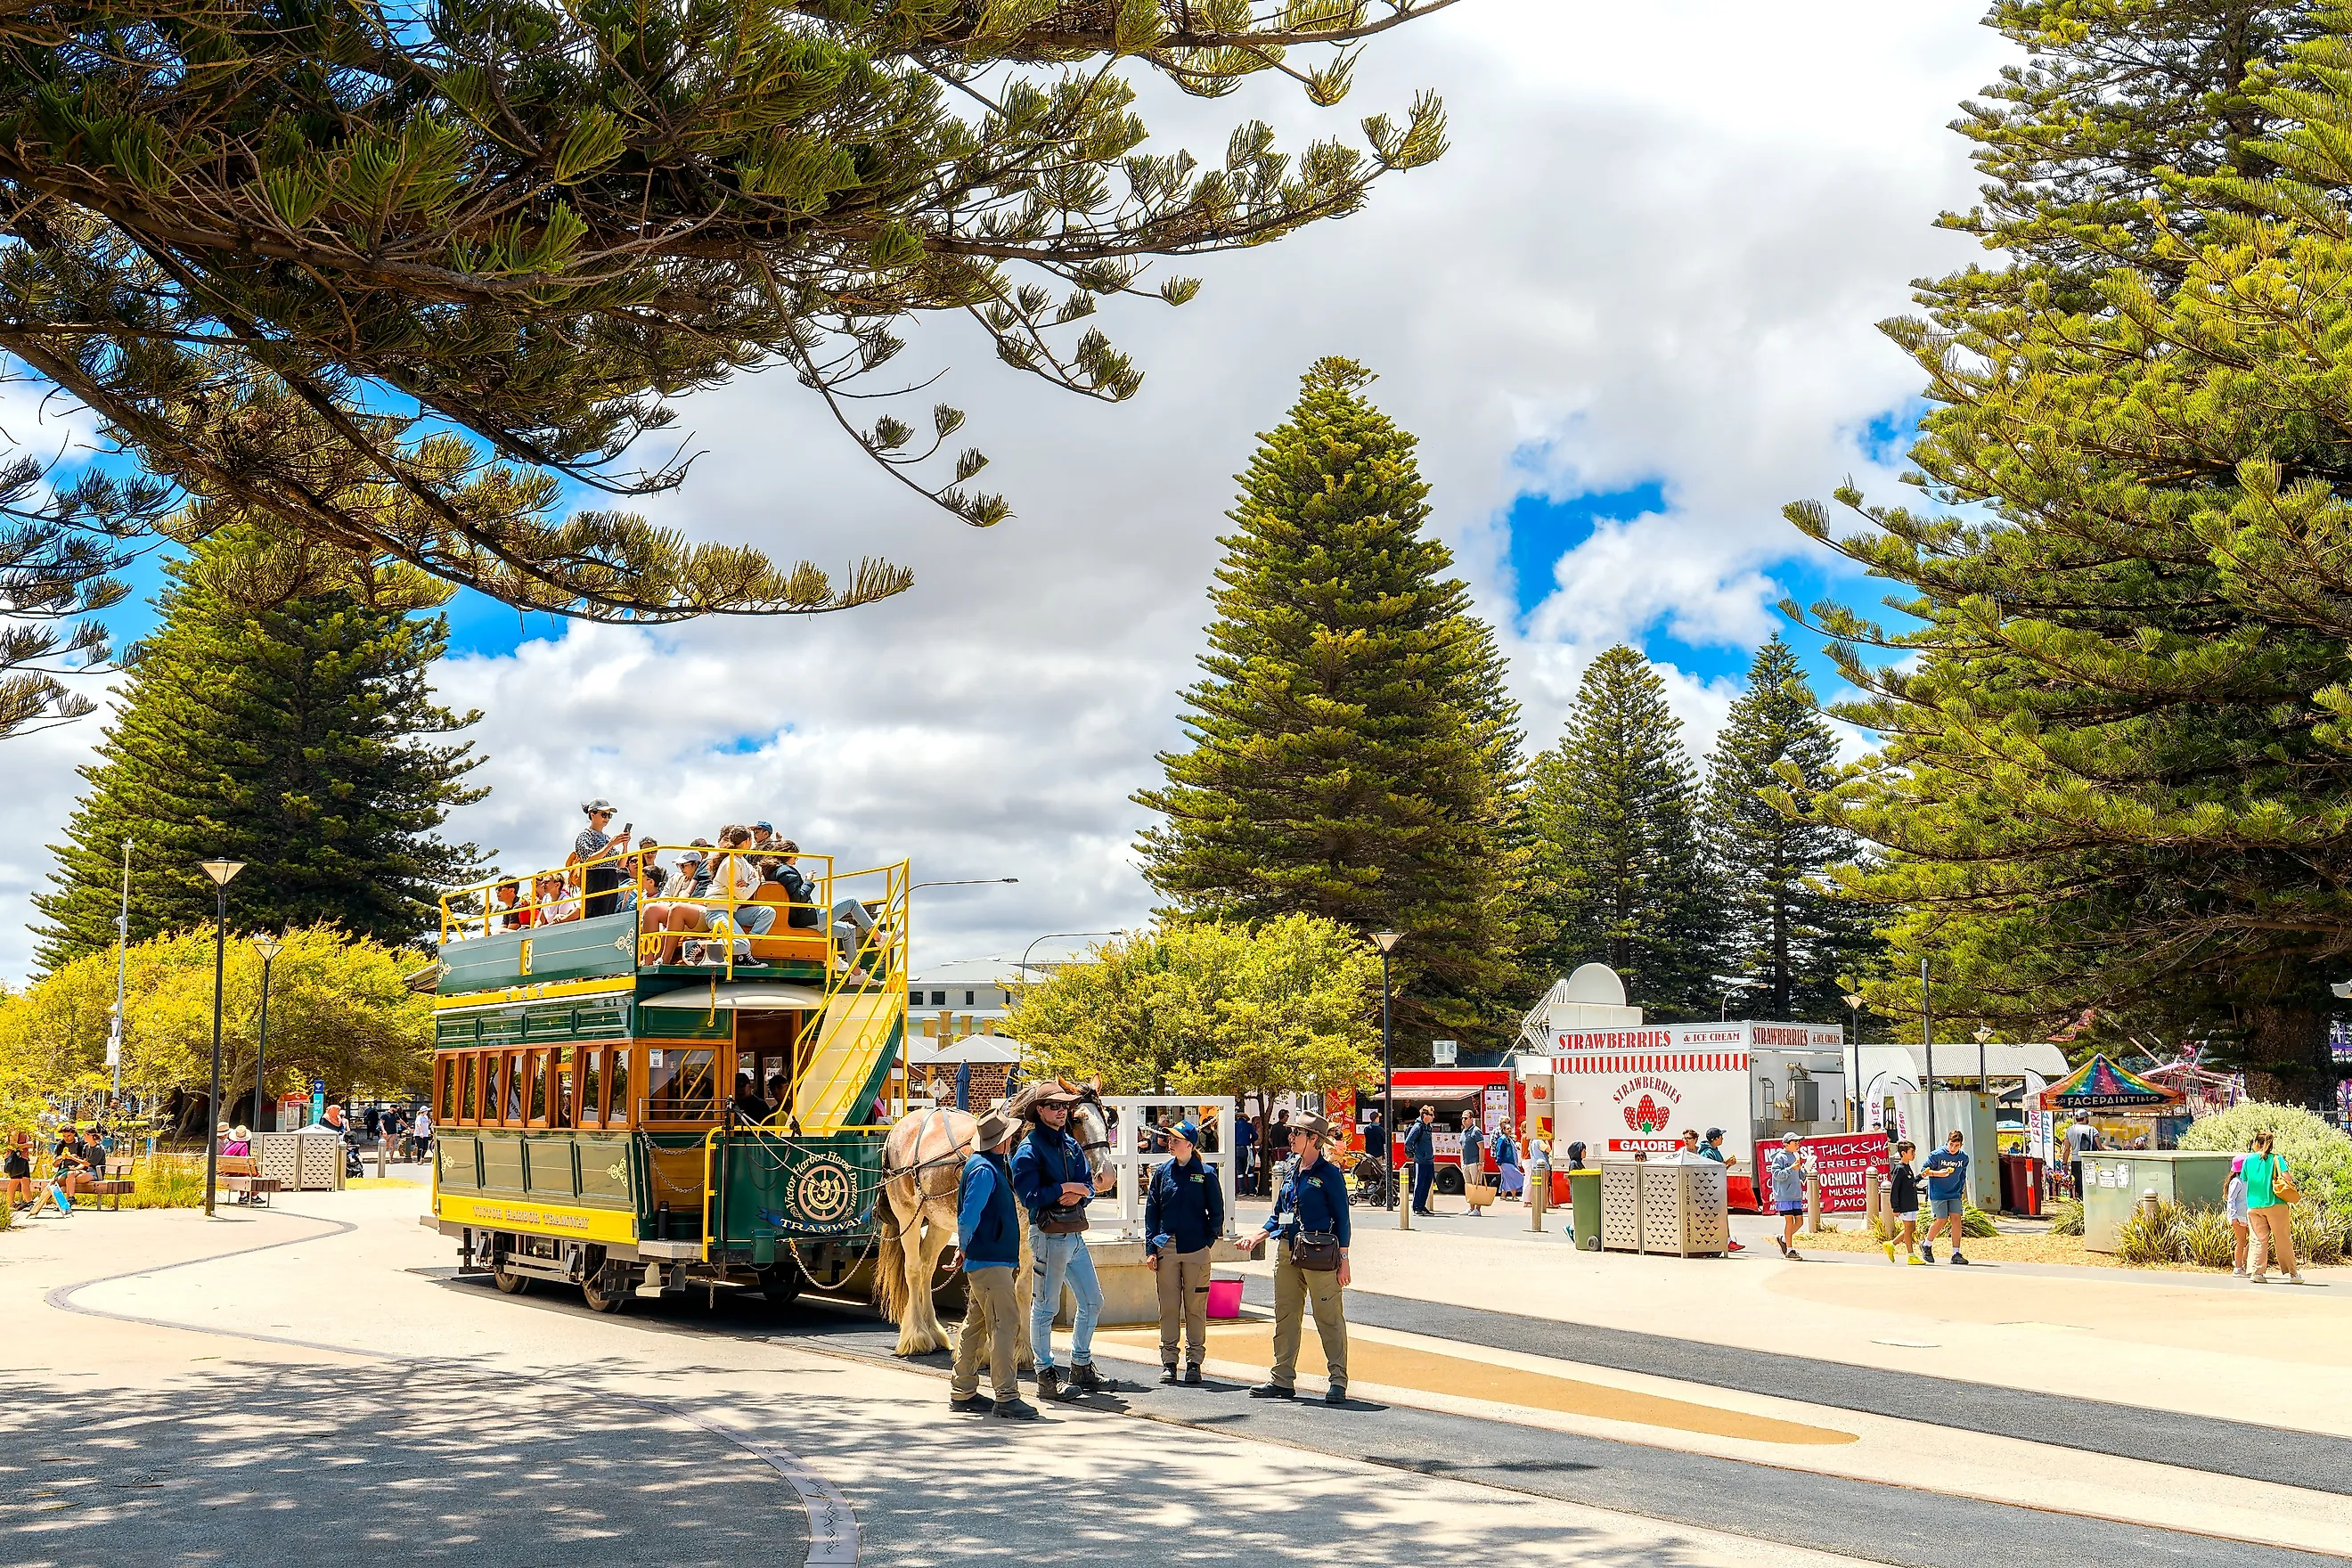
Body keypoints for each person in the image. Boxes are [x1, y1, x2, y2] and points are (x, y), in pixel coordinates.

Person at [1234, 1112, 1351, 1405]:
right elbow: (1278, 1216)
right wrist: (1257, 1236)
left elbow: (1343, 1219)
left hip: (1320, 1252)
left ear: (1313, 1139)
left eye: (1297, 1133)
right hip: (1287, 1250)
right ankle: (1282, 1379)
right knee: (1285, 1316)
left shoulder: (1329, 1174)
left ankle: (1338, 1380)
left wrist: (1344, 1258)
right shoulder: (1290, 1169)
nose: (1291, 1137)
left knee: (1329, 1319)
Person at [1010, 1086, 1105, 1401]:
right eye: (1053, 1106)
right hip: (1048, 1235)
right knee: (1046, 1307)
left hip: (1074, 1231)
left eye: (1064, 1107)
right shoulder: (1028, 1150)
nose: (1061, 1111)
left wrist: (1079, 1190)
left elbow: (1091, 1185)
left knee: (1093, 1301)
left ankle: (1080, 1364)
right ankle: (1045, 1374)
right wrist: (1066, 1186)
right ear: (1039, 1111)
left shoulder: (1069, 1144)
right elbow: (1030, 1196)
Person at [946, 1108, 1037, 1419]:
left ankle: (964, 1390)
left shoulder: (983, 1165)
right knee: (1004, 1325)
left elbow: (970, 1218)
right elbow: (969, 1216)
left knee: (977, 1324)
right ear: (1002, 1141)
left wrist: (965, 1249)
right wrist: (964, 1245)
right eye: (1009, 1135)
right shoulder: (986, 1170)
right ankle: (1007, 1395)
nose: (1012, 1139)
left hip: (984, 1259)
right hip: (992, 1261)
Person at [1145, 1119, 1224, 1384]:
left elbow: (1217, 1213)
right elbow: (1152, 1211)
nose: (1171, 1142)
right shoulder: (1162, 1172)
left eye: (1176, 1139)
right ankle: (1169, 1361)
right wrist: (1151, 1248)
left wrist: (1207, 1242)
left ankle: (1194, 1362)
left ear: (1190, 1145)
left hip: (1196, 1248)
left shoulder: (1206, 1173)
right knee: (1168, 1306)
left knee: (1195, 1307)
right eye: (1170, 1139)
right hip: (1167, 1246)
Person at [2244, 1130, 2304, 1284]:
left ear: (2257, 1143)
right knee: (2282, 1238)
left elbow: (2245, 1178)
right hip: (2276, 1204)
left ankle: (2257, 1272)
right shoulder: (2277, 1159)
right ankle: (2293, 1274)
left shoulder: (2248, 1160)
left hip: (2254, 1205)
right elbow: (2287, 1178)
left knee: (2258, 1239)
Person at [575, 798, 633, 918]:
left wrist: (625, 845)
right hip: (596, 880)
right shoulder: (585, 835)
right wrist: (611, 844)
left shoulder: (606, 838)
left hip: (611, 880)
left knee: (608, 915)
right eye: (603, 814)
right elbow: (588, 860)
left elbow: (620, 865)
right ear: (592, 814)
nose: (606, 818)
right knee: (595, 915)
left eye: (609, 815)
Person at [1921, 1130, 1972, 1265]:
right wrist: (1938, 1173)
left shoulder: (1964, 1158)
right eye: (1951, 1144)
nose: (1953, 1148)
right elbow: (1923, 1171)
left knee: (1956, 1219)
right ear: (1947, 1142)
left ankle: (1956, 1253)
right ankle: (1926, 1244)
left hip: (1955, 1193)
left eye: (1956, 1145)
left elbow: (1962, 1175)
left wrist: (1960, 1189)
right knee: (1941, 1220)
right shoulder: (1937, 1155)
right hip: (1938, 1193)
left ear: (1961, 1145)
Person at [1695, 1128, 1743, 1251]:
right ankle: (1722, 1241)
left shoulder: (1715, 1150)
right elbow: (1710, 1171)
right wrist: (1724, 1162)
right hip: (1710, 1190)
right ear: (1715, 1139)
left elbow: (1719, 1170)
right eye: (1721, 1136)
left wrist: (1728, 1165)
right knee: (1718, 1216)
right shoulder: (1707, 1153)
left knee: (1722, 1215)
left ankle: (1726, 1240)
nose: (1723, 1138)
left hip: (1717, 1188)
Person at [1766, 1133, 1809, 1259]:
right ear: (1786, 1144)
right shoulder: (1779, 1157)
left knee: (1800, 1221)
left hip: (1795, 1194)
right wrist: (1791, 1168)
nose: (1797, 1144)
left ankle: (1784, 1238)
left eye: (1798, 1141)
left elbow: (1800, 1175)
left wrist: (1806, 1168)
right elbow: (1777, 1174)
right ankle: (1790, 1250)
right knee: (1789, 1221)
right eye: (1794, 1141)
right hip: (1784, 1195)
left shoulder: (1796, 1156)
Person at [1881, 1139, 1922, 1264]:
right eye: (1912, 1152)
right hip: (1904, 1205)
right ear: (1904, 1153)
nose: (1914, 1154)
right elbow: (1895, 1188)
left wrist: (1920, 1176)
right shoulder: (1899, 1169)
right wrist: (1895, 1207)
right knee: (1908, 1229)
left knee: (1911, 1228)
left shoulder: (1907, 1168)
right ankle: (1910, 1255)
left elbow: (1910, 1183)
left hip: (1911, 1203)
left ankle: (1891, 1244)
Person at [1403, 1104, 1437, 1216]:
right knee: (1419, 1183)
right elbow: (1408, 1142)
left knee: (1427, 1184)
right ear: (1424, 1115)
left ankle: (1422, 1206)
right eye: (1431, 1115)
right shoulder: (1418, 1127)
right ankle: (1417, 1206)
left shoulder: (1428, 1127)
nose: (1433, 1117)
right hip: (1421, 1160)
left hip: (1429, 1160)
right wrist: (1416, 1153)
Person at [2226, 1154, 2251, 1278]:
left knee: (2253, 1240)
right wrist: (2233, 1217)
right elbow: (2231, 1200)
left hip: (2248, 1216)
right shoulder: (2236, 1182)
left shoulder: (2247, 1180)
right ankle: (2238, 1267)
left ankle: (2243, 1261)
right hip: (2239, 1216)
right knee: (2241, 1241)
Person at [2066, 1114, 2097, 1198]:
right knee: (2089, 1182)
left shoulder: (2070, 1130)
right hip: (2089, 1160)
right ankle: (2087, 1200)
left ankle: (2079, 1200)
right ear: (2085, 1118)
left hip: (2075, 1160)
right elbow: (2099, 1146)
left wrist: (2064, 1163)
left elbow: (2067, 1149)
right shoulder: (2092, 1129)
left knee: (2077, 1182)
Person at [1458, 1118, 1486, 1214]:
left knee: (1477, 1185)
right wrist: (1461, 1161)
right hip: (1465, 1163)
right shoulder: (1463, 1132)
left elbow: (1481, 1147)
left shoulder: (1476, 1131)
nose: (1463, 1120)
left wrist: (1480, 1163)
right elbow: (1462, 1148)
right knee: (1469, 1186)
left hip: (1474, 1162)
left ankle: (1477, 1209)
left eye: (1466, 1118)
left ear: (1471, 1119)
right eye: (1462, 1118)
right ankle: (1471, 1207)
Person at [4, 1130, 35, 1209]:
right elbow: (12, 1146)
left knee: (26, 1180)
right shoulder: (14, 1130)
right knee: (15, 1180)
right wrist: (27, 1145)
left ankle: (29, 1202)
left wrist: (28, 1145)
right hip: (16, 1159)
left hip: (24, 1158)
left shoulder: (25, 1130)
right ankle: (11, 1203)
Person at [1494, 1123, 1523, 1198]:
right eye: (1507, 1129)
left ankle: (1503, 1195)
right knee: (1515, 1177)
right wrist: (1499, 1162)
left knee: (1506, 1179)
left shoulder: (1509, 1139)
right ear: (1503, 1130)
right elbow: (1499, 1151)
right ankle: (1514, 1196)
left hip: (1510, 1162)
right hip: (1505, 1162)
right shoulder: (1502, 1139)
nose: (1509, 1130)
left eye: (1510, 1128)